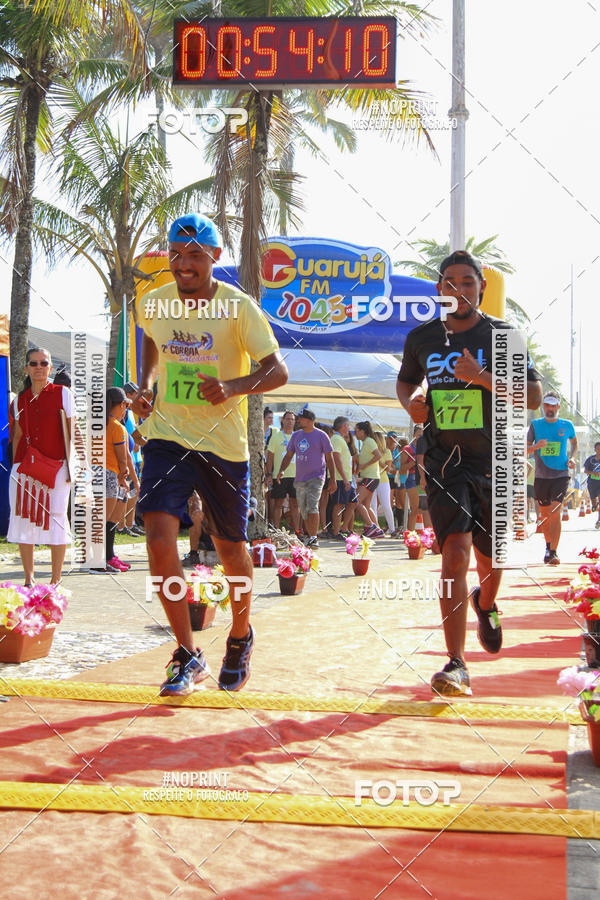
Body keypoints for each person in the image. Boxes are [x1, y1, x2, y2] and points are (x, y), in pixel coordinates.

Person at [133, 213, 287, 695]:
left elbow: (277, 371)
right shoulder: (154, 302)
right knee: (157, 534)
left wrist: (232, 387)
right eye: (176, 254)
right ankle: (186, 653)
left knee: (229, 549)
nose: (183, 264)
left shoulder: (239, 308)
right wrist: (148, 384)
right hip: (167, 435)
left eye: (195, 255)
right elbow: (151, 340)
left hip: (223, 445)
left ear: (215, 258)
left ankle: (240, 635)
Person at [397, 250, 542, 697]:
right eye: (449, 281)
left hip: (494, 459)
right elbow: (407, 381)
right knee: (454, 554)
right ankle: (456, 663)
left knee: (491, 558)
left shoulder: (502, 336)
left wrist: (483, 378)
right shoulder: (423, 337)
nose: (457, 289)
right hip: (444, 460)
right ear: (439, 289)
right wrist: (412, 401)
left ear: (481, 286)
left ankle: (487, 601)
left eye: (467, 281)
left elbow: (534, 395)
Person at [8, 347, 73, 586]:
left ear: (50, 368)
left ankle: (55, 581)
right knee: (24, 519)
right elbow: (17, 436)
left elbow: (72, 432)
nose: (38, 367)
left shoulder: (63, 393)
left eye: (43, 363)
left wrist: (74, 467)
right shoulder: (18, 401)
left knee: (56, 519)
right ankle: (29, 578)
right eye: (33, 363)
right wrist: (17, 468)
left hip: (57, 468)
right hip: (24, 470)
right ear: (26, 368)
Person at [275, 407, 336, 548]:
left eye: (300, 418)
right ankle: (310, 536)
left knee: (312, 505)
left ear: (309, 420)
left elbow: (329, 458)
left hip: (317, 477)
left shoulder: (321, 435)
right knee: (304, 509)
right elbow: (289, 455)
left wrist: (332, 478)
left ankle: (314, 537)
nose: (298, 420)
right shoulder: (296, 436)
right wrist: (281, 471)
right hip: (300, 478)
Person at [527, 392, 577, 564]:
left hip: (561, 474)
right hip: (541, 476)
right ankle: (548, 547)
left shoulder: (567, 424)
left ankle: (554, 552)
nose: (549, 408)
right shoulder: (535, 425)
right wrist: (536, 446)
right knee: (546, 514)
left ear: (558, 407)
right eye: (546, 405)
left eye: (552, 405)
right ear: (543, 406)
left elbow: (574, 443)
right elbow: (524, 449)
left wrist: (572, 457)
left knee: (556, 511)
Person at [97, 387, 139, 574]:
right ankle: (99, 559)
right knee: (106, 520)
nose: (126, 410)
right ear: (121, 404)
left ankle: (108, 556)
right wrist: (125, 479)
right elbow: (123, 459)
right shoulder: (117, 427)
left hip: (96, 474)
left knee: (109, 520)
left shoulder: (96, 424)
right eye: (125, 406)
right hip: (110, 474)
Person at [265, 410, 300, 532]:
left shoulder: (298, 436)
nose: (290, 422)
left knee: (295, 504)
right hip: (279, 476)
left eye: (292, 419)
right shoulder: (276, 436)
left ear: (295, 422)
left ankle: (297, 531)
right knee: (278, 503)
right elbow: (270, 457)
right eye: (288, 419)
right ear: (282, 421)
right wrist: (269, 474)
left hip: (296, 476)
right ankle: (276, 529)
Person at [354, 421, 384, 538]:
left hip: (370, 477)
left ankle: (371, 526)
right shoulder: (365, 443)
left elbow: (378, 455)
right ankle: (377, 529)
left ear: (362, 431)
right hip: (370, 477)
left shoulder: (369, 441)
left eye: (356, 431)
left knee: (356, 501)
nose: (355, 433)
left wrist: (365, 465)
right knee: (366, 505)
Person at [331, 416, 357, 539]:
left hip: (347, 477)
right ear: (343, 426)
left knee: (352, 503)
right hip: (341, 478)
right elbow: (336, 459)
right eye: (348, 425)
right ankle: (336, 532)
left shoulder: (340, 439)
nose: (349, 428)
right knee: (339, 505)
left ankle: (344, 528)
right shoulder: (336, 439)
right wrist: (344, 478)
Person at [371, 430, 396, 535]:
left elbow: (388, 468)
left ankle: (392, 529)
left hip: (383, 481)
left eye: (375, 440)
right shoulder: (370, 451)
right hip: (371, 479)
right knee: (373, 507)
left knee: (386, 505)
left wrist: (377, 459)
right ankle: (375, 529)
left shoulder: (387, 452)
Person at [583, 442, 600, 527]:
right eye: (598, 449)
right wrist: (593, 473)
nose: (599, 451)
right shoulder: (590, 459)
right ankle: (594, 504)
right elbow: (585, 471)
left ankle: (599, 520)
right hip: (592, 483)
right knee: (594, 501)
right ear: (595, 450)